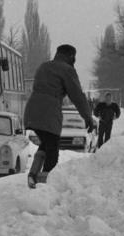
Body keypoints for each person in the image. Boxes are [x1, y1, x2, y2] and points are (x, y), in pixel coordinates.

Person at [24, 44, 95, 189]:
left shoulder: (44, 66)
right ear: (71, 56)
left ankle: (33, 174)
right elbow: (77, 96)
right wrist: (88, 117)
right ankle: (44, 182)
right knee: (52, 150)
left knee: (45, 143)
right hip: (48, 112)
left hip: (32, 110)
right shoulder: (67, 70)